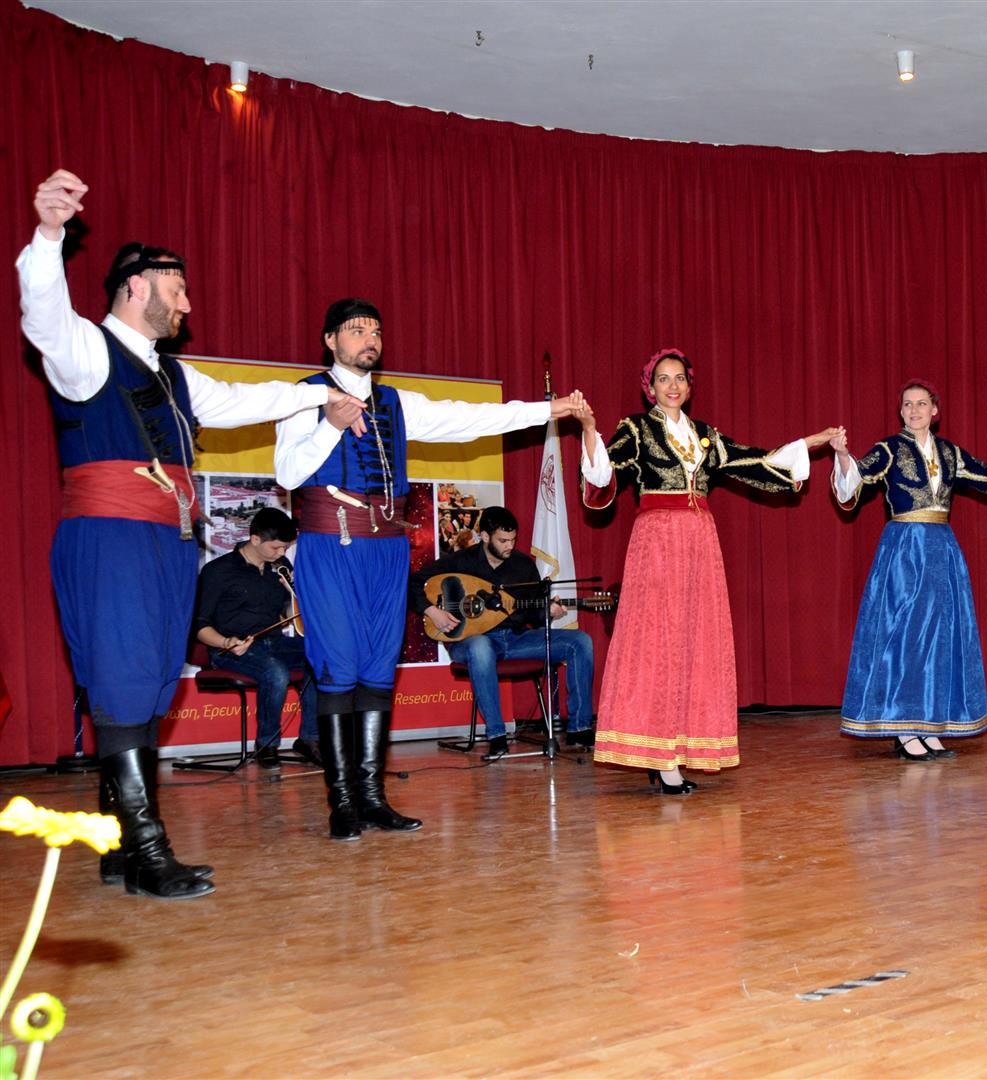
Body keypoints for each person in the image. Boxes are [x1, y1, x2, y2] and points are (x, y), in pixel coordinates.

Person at [20, 169, 358, 899]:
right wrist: (49, 236)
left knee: (146, 684)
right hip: (111, 539)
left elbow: (243, 399)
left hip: (167, 544)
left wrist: (322, 395)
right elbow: (42, 316)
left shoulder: (173, 376)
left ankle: (118, 847)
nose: (187, 304)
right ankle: (147, 852)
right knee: (121, 680)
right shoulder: (85, 351)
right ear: (135, 287)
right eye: (177, 290)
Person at [275, 299, 591, 840]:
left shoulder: (397, 402)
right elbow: (286, 471)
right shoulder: (305, 396)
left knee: (378, 670)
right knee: (338, 668)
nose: (370, 338)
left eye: (376, 330)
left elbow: (474, 419)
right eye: (357, 330)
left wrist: (548, 410)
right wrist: (331, 424)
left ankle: (373, 797)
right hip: (331, 544)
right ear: (330, 340)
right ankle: (342, 801)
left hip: (387, 548)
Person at [579, 348, 839, 793]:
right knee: (659, 642)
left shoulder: (704, 436)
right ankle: (660, 756)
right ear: (650, 387)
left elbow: (750, 462)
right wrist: (588, 430)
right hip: (659, 542)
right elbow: (604, 472)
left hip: (700, 544)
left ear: (689, 385)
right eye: (664, 378)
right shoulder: (636, 429)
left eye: (680, 378)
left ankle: (680, 750)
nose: (673, 385)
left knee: (694, 642)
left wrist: (807, 445)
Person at [831, 379, 987, 760]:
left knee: (938, 639)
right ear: (900, 411)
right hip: (904, 552)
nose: (914, 410)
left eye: (921, 404)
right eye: (907, 404)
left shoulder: (950, 453)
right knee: (905, 638)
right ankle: (905, 730)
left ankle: (928, 727)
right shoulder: (889, 449)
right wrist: (842, 456)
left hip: (941, 551)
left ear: (935, 411)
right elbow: (859, 476)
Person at [411, 504, 596, 758]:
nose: (509, 545)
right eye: (503, 540)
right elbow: (414, 582)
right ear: (485, 537)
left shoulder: (523, 565)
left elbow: (532, 616)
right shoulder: (460, 561)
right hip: (471, 642)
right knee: (480, 647)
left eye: (513, 540)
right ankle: (497, 735)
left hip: (516, 639)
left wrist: (548, 611)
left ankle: (580, 728)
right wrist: (432, 611)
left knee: (580, 642)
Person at [194, 506, 319, 765]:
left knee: (319, 655)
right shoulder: (218, 571)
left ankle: (309, 738)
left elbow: (289, 612)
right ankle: (266, 744)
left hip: (272, 642)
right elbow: (199, 625)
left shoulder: (280, 567)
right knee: (276, 672)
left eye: (285, 548)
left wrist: (296, 594)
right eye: (276, 548)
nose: (282, 553)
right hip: (229, 649)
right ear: (255, 539)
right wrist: (226, 642)